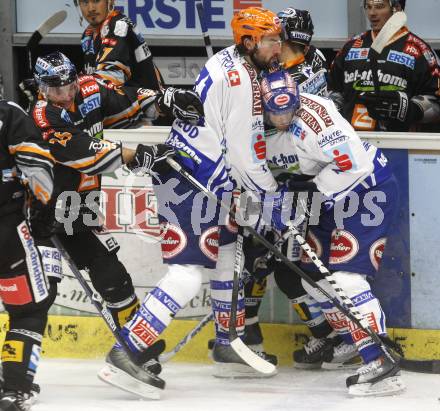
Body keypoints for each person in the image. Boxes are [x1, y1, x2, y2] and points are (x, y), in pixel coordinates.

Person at [98, 7, 286, 393]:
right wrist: (272, 201)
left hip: (206, 176)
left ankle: (228, 340)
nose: (278, 48)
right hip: (192, 181)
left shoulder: (232, 61)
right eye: (271, 41)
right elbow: (245, 154)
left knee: (229, 254)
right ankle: (126, 349)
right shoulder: (243, 81)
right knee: (187, 273)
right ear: (249, 41)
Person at [27, 51, 203, 400]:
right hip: (45, 214)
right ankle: (18, 372)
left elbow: (127, 100)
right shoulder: (42, 116)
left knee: (115, 280)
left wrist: (162, 97)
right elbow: (83, 152)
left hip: (81, 208)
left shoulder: (90, 89)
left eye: (68, 85)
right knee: (39, 296)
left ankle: (136, 350)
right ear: (42, 90)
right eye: (55, 89)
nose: (65, 94)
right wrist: (135, 154)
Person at [260, 68, 405, 396]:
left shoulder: (319, 126)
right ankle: (353, 341)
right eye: (275, 112)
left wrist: (302, 195)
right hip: (331, 196)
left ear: (297, 100)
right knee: (312, 274)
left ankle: (379, 359)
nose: (281, 118)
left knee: (347, 279)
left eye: (287, 110)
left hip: (367, 192)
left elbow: (352, 166)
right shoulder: (275, 118)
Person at [237, 7, 361, 371]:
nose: (278, 47)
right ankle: (257, 337)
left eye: (281, 40)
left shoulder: (294, 73)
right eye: (275, 39)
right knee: (265, 264)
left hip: (299, 184)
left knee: (286, 266)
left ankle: (331, 334)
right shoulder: (267, 67)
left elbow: (286, 120)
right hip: (271, 177)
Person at [0, 99, 56, 410]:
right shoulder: (8, 113)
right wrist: (44, 209)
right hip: (6, 232)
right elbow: (38, 168)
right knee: (28, 311)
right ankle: (15, 386)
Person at [328, 0, 440, 132]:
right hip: (352, 141)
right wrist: (335, 110)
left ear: (397, 8)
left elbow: (436, 103)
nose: (372, 13)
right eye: (368, 7)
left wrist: (407, 109)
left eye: (379, 7)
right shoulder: (350, 46)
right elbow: (332, 91)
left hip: (398, 142)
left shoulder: (419, 50)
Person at [75, 0, 162, 91]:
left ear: (109, 1)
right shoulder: (88, 34)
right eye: (85, 2)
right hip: (126, 97)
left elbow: (111, 77)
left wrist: (72, 87)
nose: (91, 8)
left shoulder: (119, 26)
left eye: (96, 1)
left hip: (148, 100)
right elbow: (90, 74)